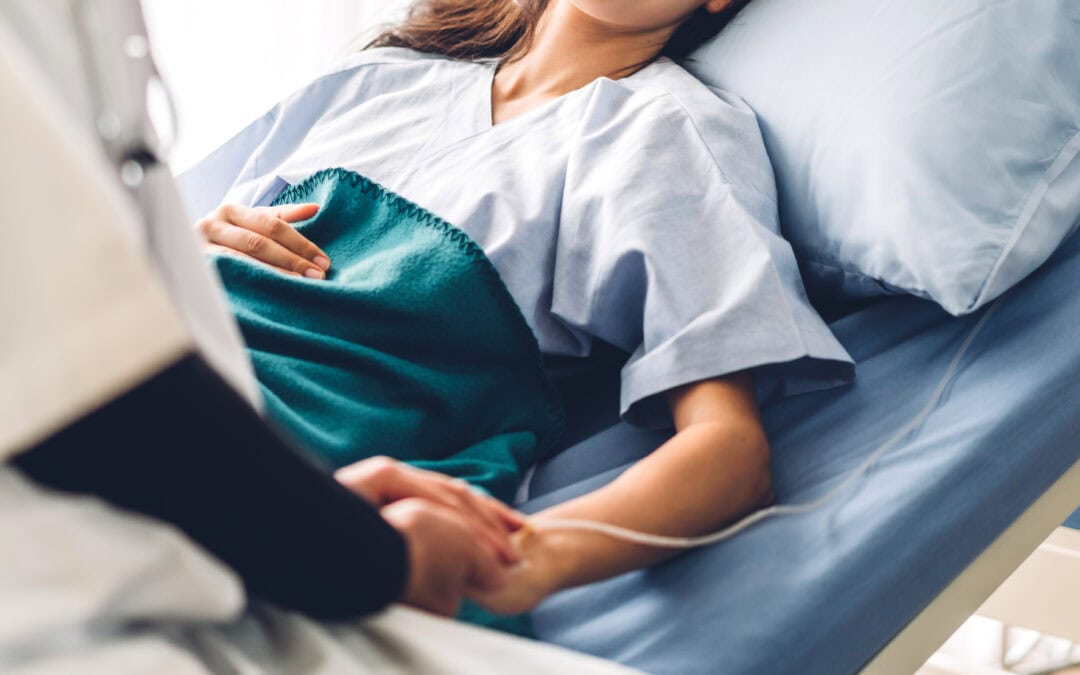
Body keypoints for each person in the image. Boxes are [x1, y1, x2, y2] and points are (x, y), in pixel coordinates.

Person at [189, 0, 853, 618]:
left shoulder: (662, 131)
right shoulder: (378, 77)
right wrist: (192, 244)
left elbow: (730, 450)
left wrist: (516, 556)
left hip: (281, 428)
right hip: (163, 349)